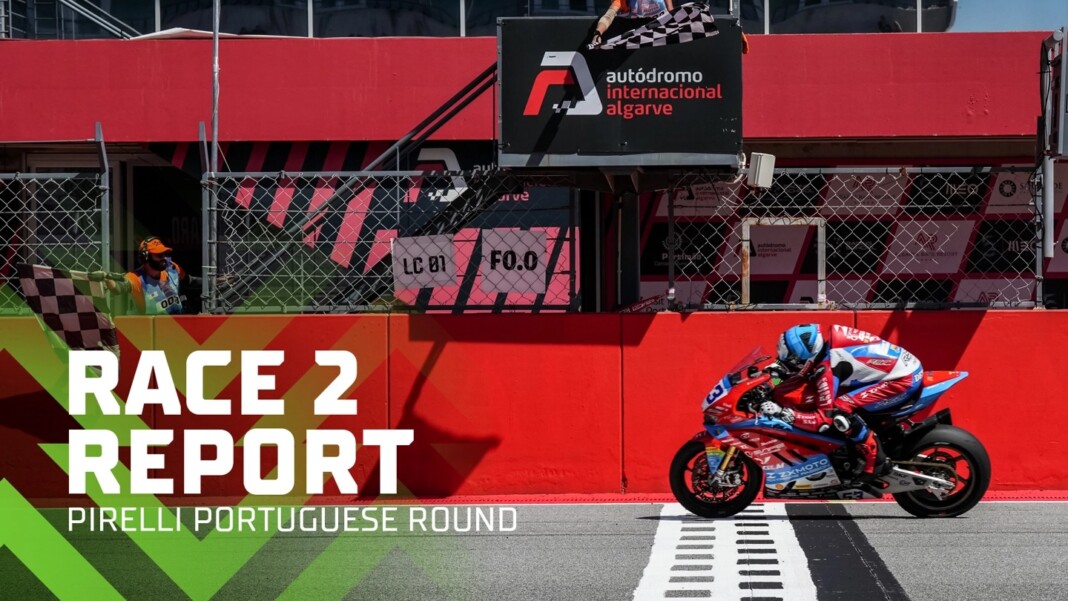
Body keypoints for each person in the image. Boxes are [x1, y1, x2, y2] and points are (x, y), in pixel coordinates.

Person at [759, 324, 923, 482]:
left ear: (805, 354)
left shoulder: (828, 368)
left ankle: (875, 461)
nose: (789, 362)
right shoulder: (825, 348)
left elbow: (823, 420)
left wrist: (783, 413)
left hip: (902, 379)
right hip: (897, 368)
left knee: (839, 411)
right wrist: (775, 373)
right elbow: (803, 370)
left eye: (791, 358)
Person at [105, 236, 200, 315]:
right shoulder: (136, 278)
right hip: (152, 329)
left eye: (164, 254)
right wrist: (106, 279)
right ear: (145, 257)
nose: (164, 258)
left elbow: (190, 281)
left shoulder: (172, 268)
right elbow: (119, 288)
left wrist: (209, 281)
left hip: (180, 326)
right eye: (159, 255)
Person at [589, 0, 675, 48]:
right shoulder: (621, 1)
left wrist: (672, 16)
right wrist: (598, 33)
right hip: (636, 32)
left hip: (660, 28)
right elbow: (608, 16)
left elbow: (671, 11)